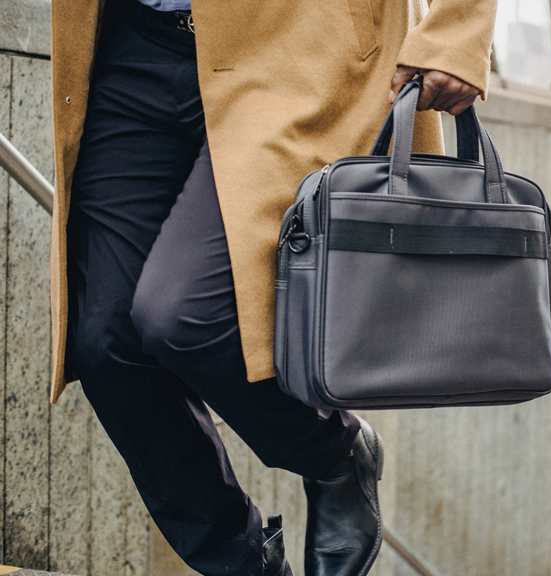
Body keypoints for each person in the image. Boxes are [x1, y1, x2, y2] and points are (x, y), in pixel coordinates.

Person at [48, 0, 496, 574]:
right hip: (130, 43)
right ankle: (244, 564)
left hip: (295, 45)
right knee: (104, 342)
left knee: (182, 315)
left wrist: (459, 31)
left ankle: (336, 454)